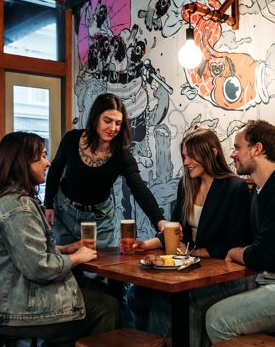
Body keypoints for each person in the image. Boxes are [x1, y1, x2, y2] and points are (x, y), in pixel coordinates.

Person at [127, 128, 251, 344]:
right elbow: (175, 230)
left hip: (223, 273)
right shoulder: (186, 185)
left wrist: (194, 252)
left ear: (212, 153)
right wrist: (144, 245)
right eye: (184, 156)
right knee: (138, 292)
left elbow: (236, 242)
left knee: (168, 299)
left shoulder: (235, 187)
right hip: (189, 269)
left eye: (191, 156)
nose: (186, 162)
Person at [0, 132, 121, 347]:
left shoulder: (13, 200)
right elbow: (38, 267)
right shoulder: (19, 208)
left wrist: (66, 250)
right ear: (24, 162)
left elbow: (26, 251)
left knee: (97, 290)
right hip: (14, 309)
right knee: (107, 307)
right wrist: (76, 258)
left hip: (14, 296)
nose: (47, 163)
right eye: (42, 157)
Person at [44, 93, 165, 248]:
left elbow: (139, 188)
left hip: (99, 218)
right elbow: (55, 170)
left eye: (118, 123)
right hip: (64, 212)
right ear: (96, 118)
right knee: (66, 265)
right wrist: (48, 204)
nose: (113, 128)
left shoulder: (122, 155)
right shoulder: (72, 139)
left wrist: (159, 220)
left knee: (98, 268)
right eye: (107, 121)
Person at [206, 120, 275, 343]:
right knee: (195, 298)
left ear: (257, 149)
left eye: (237, 147)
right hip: (265, 276)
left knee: (218, 320)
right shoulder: (258, 189)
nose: (233, 154)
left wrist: (235, 252)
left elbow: (263, 254)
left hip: (271, 279)